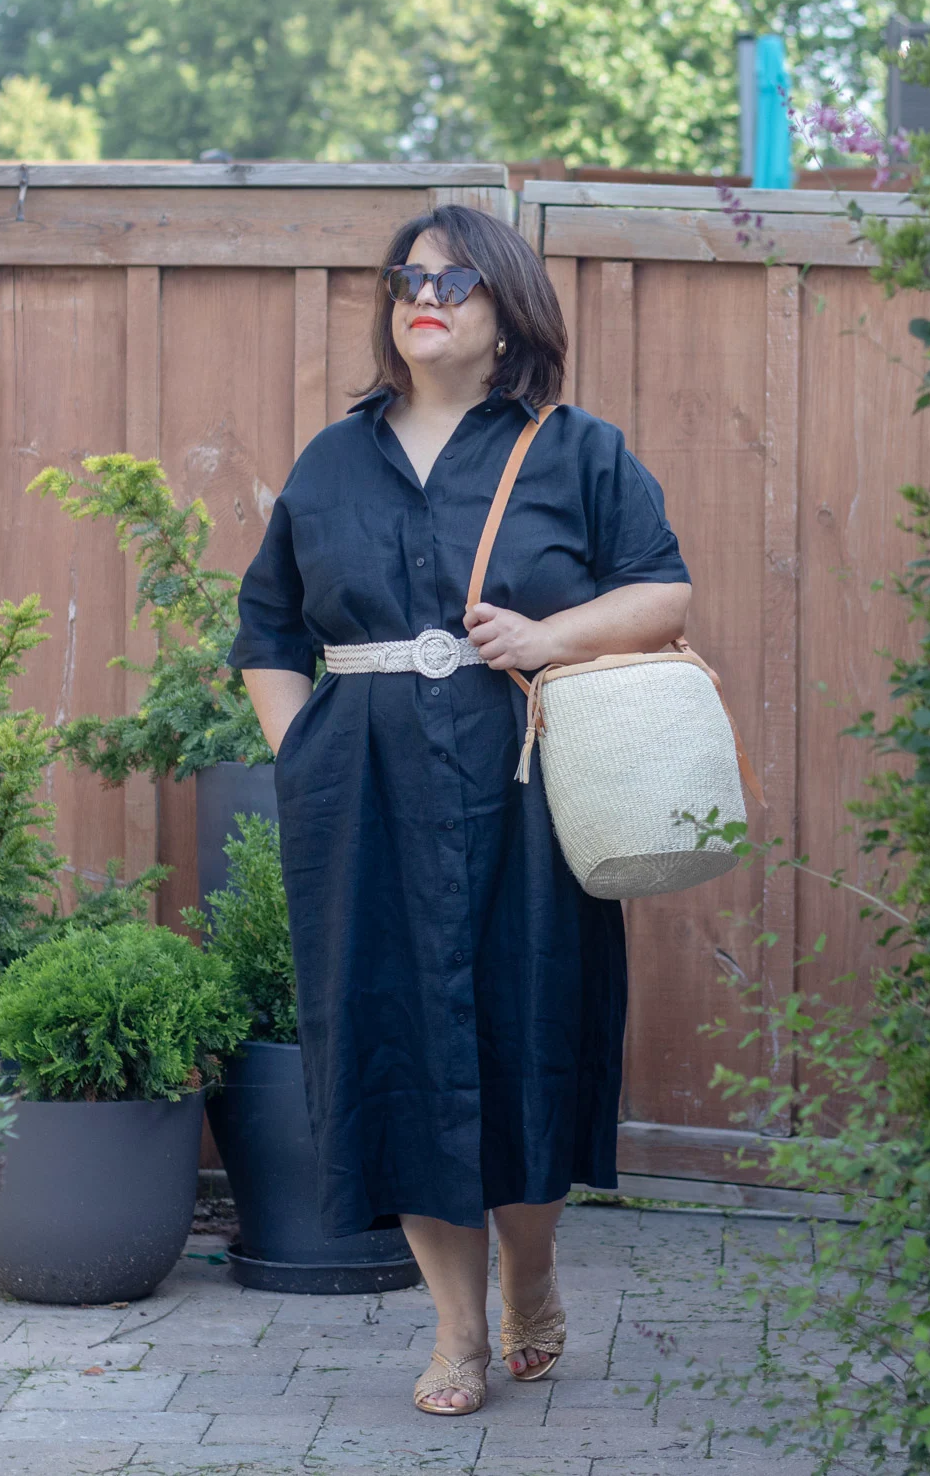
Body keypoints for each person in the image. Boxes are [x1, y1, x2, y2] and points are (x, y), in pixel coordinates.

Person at [227, 204, 692, 1416]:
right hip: (361, 803)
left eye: (454, 282)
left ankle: (529, 1271)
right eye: (407, 280)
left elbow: (661, 595)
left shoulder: (576, 451)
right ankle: (455, 1332)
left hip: (529, 796)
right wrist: (299, 756)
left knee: (528, 1038)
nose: (422, 297)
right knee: (398, 1054)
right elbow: (268, 630)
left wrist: (548, 635)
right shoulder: (334, 462)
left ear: (506, 315)